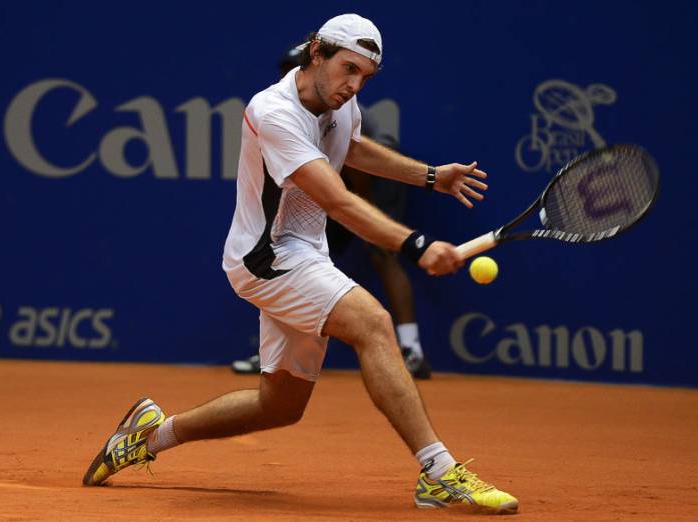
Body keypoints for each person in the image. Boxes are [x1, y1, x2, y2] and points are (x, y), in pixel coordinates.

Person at [82, 13, 518, 514]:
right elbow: (340, 202)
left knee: (280, 406)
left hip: (306, 252)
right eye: (348, 69)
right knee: (375, 325)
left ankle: (148, 436)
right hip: (267, 258)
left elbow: (351, 148)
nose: (353, 86)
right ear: (317, 52)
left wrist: (430, 176)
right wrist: (417, 244)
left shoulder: (340, 104)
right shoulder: (273, 111)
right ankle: (440, 473)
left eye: (365, 78)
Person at [231, 45, 432, 379]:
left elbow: (353, 173)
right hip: (322, 183)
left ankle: (412, 348)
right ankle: (274, 356)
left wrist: (372, 222)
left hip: (369, 181)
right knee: (298, 257)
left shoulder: (339, 105)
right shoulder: (284, 109)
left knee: (382, 253)